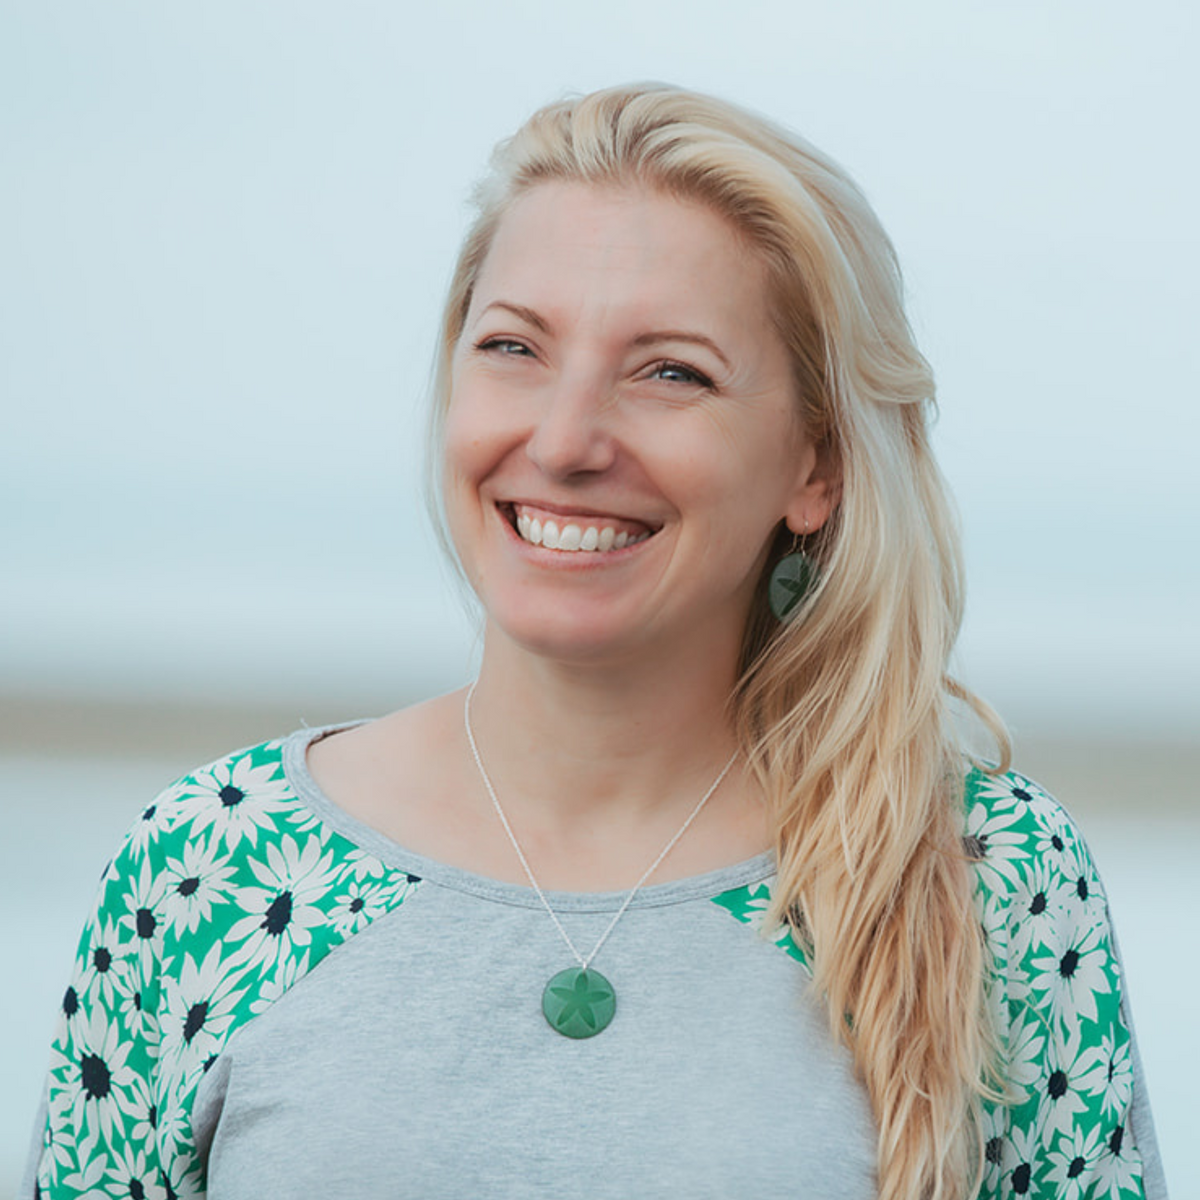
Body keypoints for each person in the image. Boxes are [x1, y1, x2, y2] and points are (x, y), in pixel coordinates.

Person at [23, 83, 1167, 1200]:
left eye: (671, 371)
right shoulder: (207, 868)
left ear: (816, 466)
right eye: (515, 348)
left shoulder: (985, 878)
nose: (565, 441)